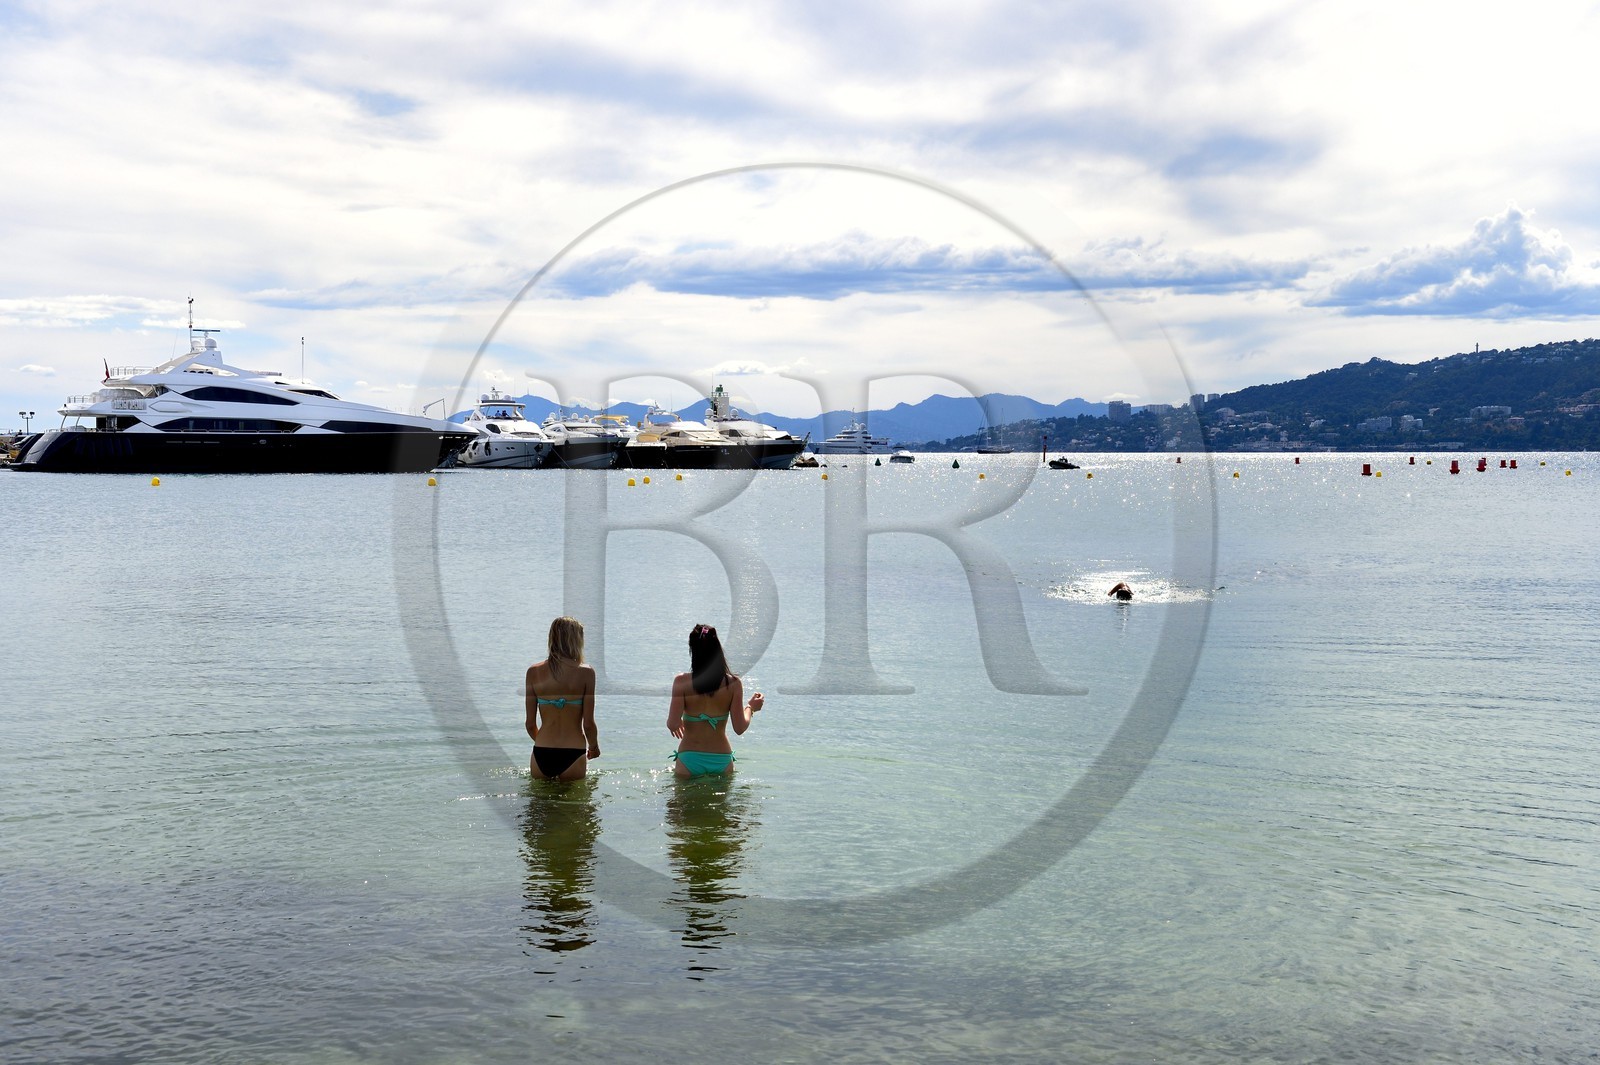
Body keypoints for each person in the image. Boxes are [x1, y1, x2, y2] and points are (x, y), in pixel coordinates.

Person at [667, 624, 762, 778]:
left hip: (689, 758)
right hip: (721, 759)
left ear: (693, 651)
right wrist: (751, 707)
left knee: (682, 803)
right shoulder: (733, 684)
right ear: (718, 649)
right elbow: (739, 728)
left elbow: (672, 724)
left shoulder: (681, 682)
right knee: (721, 803)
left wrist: (679, 723)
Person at [526, 616, 599, 781]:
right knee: (573, 806)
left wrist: (546, 744)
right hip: (573, 751)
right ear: (576, 641)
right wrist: (594, 747)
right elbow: (588, 724)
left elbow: (530, 725)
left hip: (541, 751)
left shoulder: (533, 672)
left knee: (538, 805)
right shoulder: (586, 673)